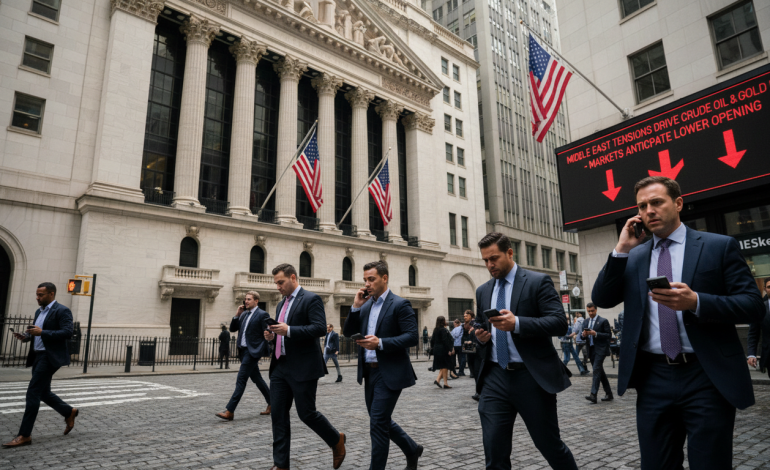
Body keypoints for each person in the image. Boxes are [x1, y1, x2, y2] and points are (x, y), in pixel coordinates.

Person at [591, 176, 764, 470]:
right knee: (656, 464)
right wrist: (621, 250)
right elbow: (602, 298)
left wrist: (697, 302)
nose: (649, 211)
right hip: (653, 376)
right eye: (642, 206)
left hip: (706, 375)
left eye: (656, 202)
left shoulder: (718, 246)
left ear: (678, 203)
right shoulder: (633, 256)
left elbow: (753, 306)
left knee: (710, 463)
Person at [473, 232, 577, 470]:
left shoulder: (537, 281)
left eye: (494, 258)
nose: (490, 265)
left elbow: (559, 322)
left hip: (531, 376)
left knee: (548, 444)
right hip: (494, 377)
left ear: (510, 253)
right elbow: (481, 323)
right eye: (485, 260)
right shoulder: (483, 290)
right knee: (494, 450)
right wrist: (479, 335)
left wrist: (517, 324)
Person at [263, 264, 346, 470]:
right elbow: (282, 333)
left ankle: (336, 440)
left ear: (293, 277)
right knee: (278, 416)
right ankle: (280, 465)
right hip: (280, 366)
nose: (278, 287)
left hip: (303, 366)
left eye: (281, 282)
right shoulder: (280, 304)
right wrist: (272, 336)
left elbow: (319, 328)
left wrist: (288, 330)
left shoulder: (311, 299)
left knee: (306, 413)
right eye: (276, 283)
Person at [342, 261, 424, 470]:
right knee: (381, 420)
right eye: (365, 280)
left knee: (377, 423)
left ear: (384, 278)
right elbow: (347, 333)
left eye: (372, 279)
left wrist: (381, 343)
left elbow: (412, 337)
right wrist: (355, 307)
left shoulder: (399, 304)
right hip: (369, 373)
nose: (367, 284)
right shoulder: (366, 304)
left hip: (390, 372)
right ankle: (411, 449)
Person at [3, 283, 78, 448]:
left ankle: (24, 435)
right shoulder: (39, 311)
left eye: (41, 295)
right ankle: (68, 411)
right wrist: (26, 336)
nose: (37, 298)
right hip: (37, 356)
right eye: (37, 294)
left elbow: (67, 332)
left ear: (51, 294)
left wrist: (42, 332)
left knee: (33, 392)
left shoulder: (62, 310)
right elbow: (37, 331)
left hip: (49, 357)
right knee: (43, 392)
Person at [216, 291, 271, 420]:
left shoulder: (262, 314)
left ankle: (230, 411)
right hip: (243, 351)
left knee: (241, 379)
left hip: (252, 352)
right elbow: (233, 329)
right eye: (245, 299)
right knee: (257, 379)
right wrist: (237, 315)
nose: (246, 301)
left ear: (256, 301)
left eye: (249, 299)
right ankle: (272, 402)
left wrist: (260, 349)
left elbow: (268, 332)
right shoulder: (244, 314)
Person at [581, 303, 612, 404]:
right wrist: (583, 334)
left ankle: (593, 395)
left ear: (596, 310)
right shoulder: (585, 322)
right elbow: (582, 337)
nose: (590, 313)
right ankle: (609, 393)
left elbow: (608, 335)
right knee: (599, 371)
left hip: (601, 349)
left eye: (592, 311)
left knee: (596, 369)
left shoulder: (603, 321)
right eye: (588, 311)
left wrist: (596, 334)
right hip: (591, 349)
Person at [747, 278, 770, 378]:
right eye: (769, 287)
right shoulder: (760, 309)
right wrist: (752, 354)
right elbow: (753, 333)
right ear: (765, 289)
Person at [430, 317, 454, 389]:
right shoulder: (443, 330)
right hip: (443, 349)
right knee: (444, 366)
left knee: (443, 365)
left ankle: (438, 380)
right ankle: (445, 383)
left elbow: (432, 341)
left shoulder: (436, 329)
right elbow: (445, 340)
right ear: (443, 321)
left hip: (437, 349)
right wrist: (449, 349)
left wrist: (433, 348)